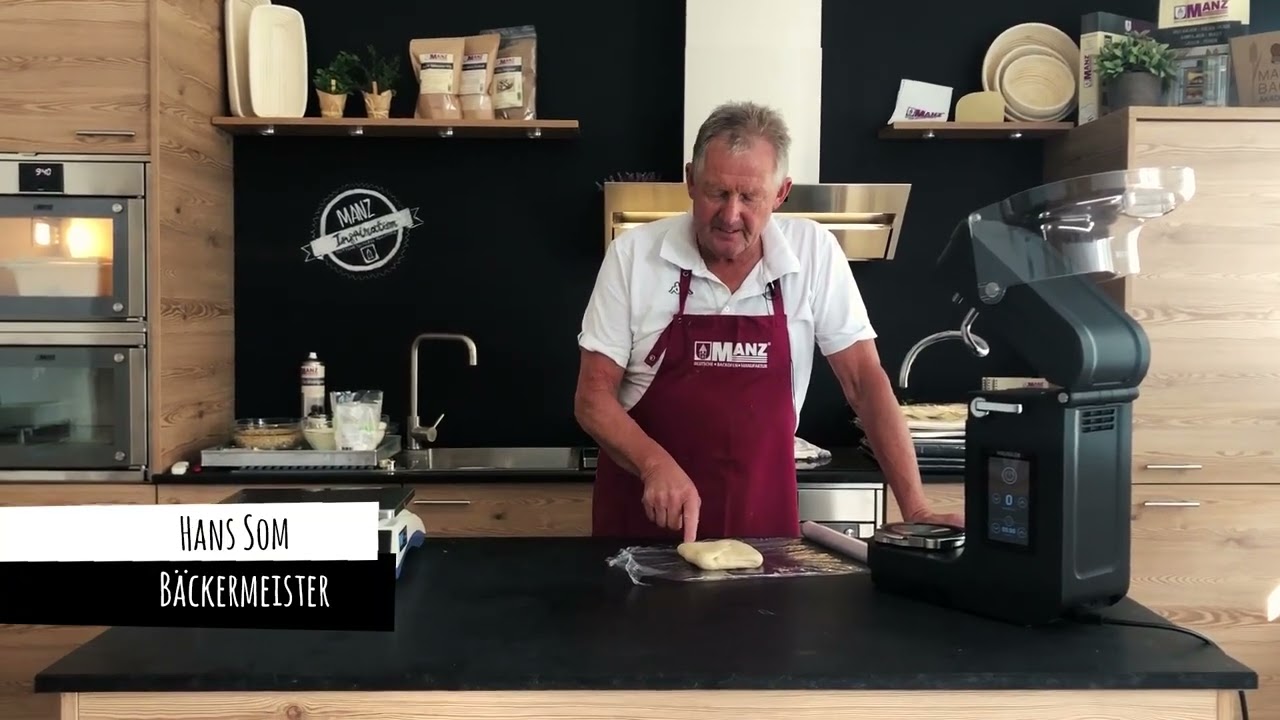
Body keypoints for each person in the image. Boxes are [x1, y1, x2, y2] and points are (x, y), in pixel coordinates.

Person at [573, 100, 964, 543]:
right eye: (717, 192)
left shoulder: (814, 253)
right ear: (690, 181)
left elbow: (864, 381)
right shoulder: (634, 256)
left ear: (781, 193)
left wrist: (916, 506)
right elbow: (592, 397)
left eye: (750, 196)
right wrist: (653, 464)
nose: (731, 215)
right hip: (643, 518)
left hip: (762, 526)